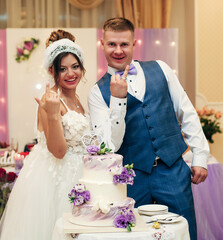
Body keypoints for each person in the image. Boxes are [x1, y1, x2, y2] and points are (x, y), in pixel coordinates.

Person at [88, 17, 209, 240]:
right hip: (131, 179)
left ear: (134, 44)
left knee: (184, 232)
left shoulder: (161, 69)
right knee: (135, 236)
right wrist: (117, 100)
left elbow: (187, 111)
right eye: (111, 44)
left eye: (124, 44)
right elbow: (109, 146)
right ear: (102, 44)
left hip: (172, 170)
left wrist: (200, 156)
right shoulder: (97, 93)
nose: (118, 50)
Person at [0, 30, 91, 240]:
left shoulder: (77, 99)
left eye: (75, 67)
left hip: (80, 176)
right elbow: (58, 151)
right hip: (57, 181)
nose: (71, 73)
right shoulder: (50, 99)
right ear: (51, 70)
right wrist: (54, 113)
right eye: (62, 69)